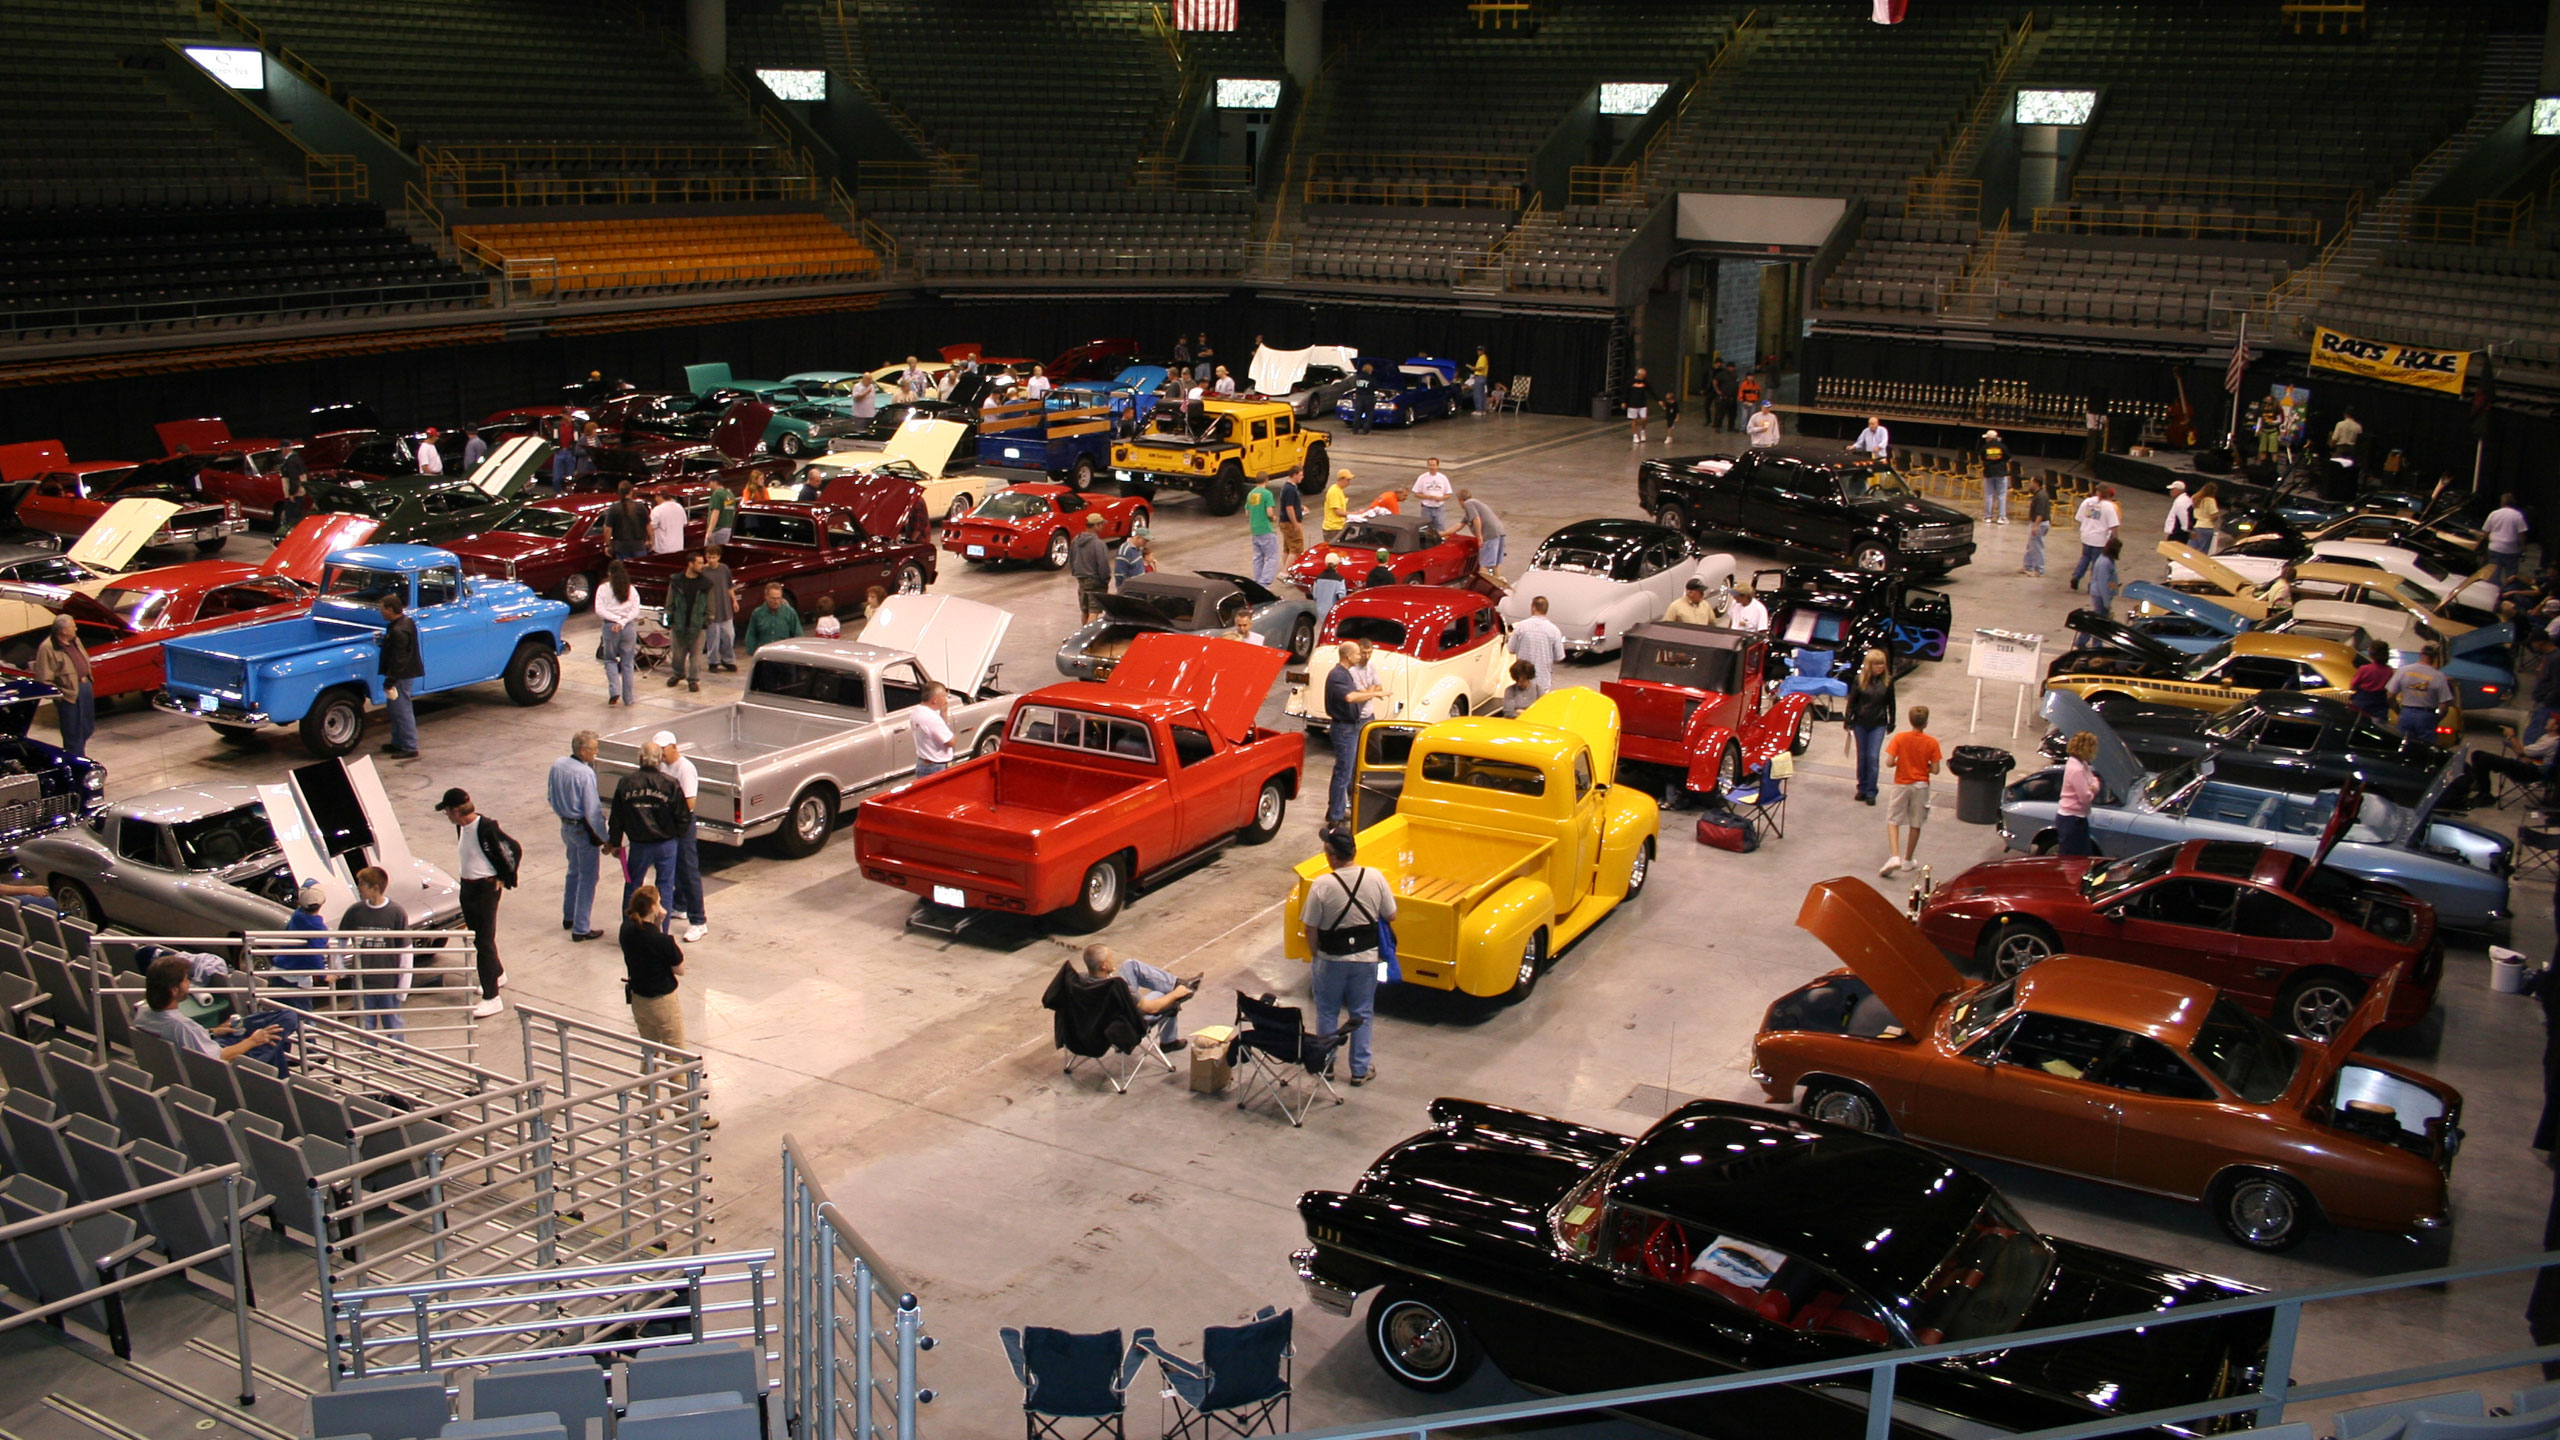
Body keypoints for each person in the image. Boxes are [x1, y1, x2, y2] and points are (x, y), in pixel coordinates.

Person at [1300, 827, 1393, 1086]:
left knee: (1327, 1012)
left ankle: (1326, 1065)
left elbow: (1310, 926)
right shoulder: (1375, 877)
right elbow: (1391, 914)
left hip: (1331, 959)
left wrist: (1316, 954)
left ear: (1331, 855)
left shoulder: (1322, 885)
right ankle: (1359, 1070)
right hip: (1365, 959)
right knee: (1362, 1012)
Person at [434, 787, 519, 1018]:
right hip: (469, 887)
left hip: (484, 889)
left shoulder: (486, 828)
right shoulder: (461, 828)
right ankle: (497, 973)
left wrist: (505, 877)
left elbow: (513, 849)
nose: (447, 817)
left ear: (455, 811)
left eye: (447, 812)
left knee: (483, 942)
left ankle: (492, 997)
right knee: (479, 937)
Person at [135, 954, 299, 1070]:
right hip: (224, 1059)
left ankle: (276, 1070)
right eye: (185, 980)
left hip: (210, 1043)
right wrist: (253, 1041)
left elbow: (189, 1040)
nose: (189, 983)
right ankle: (274, 1072)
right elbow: (218, 1059)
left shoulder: (142, 1012)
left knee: (272, 1027)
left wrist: (212, 1031)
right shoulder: (181, 1027)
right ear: (173, 990)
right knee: (287, 1020)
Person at [608, 747, 688, 921]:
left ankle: (629, 928)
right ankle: (661, 931)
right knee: (665, 888)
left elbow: (617, 816)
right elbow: (683, 816)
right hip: (666, 844)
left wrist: (615, 841)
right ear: (659, 760)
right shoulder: (670, 784)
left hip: (639, 844)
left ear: (640, 758)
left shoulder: (626, 783)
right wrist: (677, 837)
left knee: (633, 885)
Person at [550, 729, 609, 942]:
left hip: (566, 826)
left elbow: (550, 796)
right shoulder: (585, 774)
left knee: (573, 870)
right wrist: (605, 837)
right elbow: (592, 811)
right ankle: (581, 927)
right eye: (594, 749)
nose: (597, 752)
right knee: (589, 877)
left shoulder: (557, 765)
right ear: (583, 751)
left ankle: (569, 915)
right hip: (582, 830)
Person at [620, 884, 693, 1051]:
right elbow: (679, 970)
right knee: (675, 1053)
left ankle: (647, 1077)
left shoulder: (626, 929)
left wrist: (657, 923)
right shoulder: (663, 941)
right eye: (659, 902)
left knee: (649, 1052)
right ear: (653, 907)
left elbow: (648, 937)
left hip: (639, 999)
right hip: (662, 1002)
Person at [1082, 944, 1197, 1050]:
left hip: (1095, 1024)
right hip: (1126, 1025)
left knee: (1130, 965)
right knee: (1165, 993)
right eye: (1110, 959)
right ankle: (1169, 1042)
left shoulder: (1081, 981)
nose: (1113, 961)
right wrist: (1175, 994)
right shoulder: (1117, 989)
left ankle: (1177, 983)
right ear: (1103, 965)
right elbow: (1152, 1008)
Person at [340, 866, 411, 1034]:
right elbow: (339, 940)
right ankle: (369, 1057)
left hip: (388, 984)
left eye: (362, 884)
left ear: (375, 888)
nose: (359, 888)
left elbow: (406, 951)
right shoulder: (355, 911)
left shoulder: (395, 913)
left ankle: (399, 1058)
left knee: (393, 1025)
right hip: (362, 984)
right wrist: (340, 967)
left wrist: (403, 986)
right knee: (365, 1027)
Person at [1322, 641, 1386, 824]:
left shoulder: (1344, 674)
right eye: (1357, 653)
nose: (1360, 656)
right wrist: (1373, 694)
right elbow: (1350, 697)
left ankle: (1337, 809)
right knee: (1343, 773)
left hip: (1351, 726)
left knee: (1347, 772)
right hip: (1344, 729)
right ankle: (1335, 816)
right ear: (1348, 656)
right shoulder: (1338, 675)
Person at [654, 731, 709, 942]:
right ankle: (679, 905)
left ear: (674, 748)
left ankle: (699, 921)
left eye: (663, 750)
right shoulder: (661, 766)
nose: (661, 754)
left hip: (683, 825)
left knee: (688, 870)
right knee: (672, 866)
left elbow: (690, 803)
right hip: (667, 824)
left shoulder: (685, 769)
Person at [1879, 705, 1941, 876]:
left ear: (1910, 720)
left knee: (1893, 819)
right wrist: (1924, 766)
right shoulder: (1932, 743)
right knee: (1916, 822)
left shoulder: (1900, 738)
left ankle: (1894, 856)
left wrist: (1902, 763)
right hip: (1921, 785)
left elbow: (1889, 762)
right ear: (1926, 723)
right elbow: (1935, 769)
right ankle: (1908, 859)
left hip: (1901, 783)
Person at [32, 614, 94, 758]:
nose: (76, 629)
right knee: (72, 732)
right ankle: (76, 761)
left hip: (84, 688)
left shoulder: (75, 641)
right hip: (68, 695)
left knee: (86, 728)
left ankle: (80, 756)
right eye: (73, 626)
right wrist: (59, 696)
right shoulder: (47, 648)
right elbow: (43, 678)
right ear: (64, 631)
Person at [2470, 716, 2559, 807]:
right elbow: (2524, 754)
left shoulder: (2551, 742)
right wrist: (2519, 752)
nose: (2548, 720)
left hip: (2532, 771)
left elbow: (2522, 751)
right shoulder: (2546, 737)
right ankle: (2479, 785)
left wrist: (2511, 736)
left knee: (2485, 759)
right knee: (2477, 754)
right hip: (2527, 764)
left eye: (2552, 720)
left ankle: (2485, 795)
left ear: (2556, 727)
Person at [1844, 648, 1895, 805]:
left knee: (1872, 757)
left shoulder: (1888, 682)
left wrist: (1892, 721)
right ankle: (1862, 788)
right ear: (1869, 665)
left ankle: (1871, 791)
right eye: (1876, 664)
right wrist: (1848, 719)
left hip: (1878, 724)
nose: (1880, 667)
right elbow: (1852, 701)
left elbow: (1891, 704)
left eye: (1882, 664)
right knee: (1862, 757)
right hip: (1860, 723)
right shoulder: (1859, 681)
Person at [271, 882, 333, 1009]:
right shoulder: (318, 928)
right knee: (304, 1018)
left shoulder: (297, 915)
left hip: (279, 971)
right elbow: (315, 954)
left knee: (279, 1015)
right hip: (296, 979)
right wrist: (323, 975)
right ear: (323, 901)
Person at [377, 592, 422, 758]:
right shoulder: (407, 622)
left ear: (390, 609)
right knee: (395, 709)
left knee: (402, 711)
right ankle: (398, 742)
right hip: (405, 673)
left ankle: (410, 746)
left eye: (382, 609)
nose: (381, 612)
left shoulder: (398, 630)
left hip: (401, 676)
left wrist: (390, 681)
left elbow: (399, 659)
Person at [664, 551, 712, 693]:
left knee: (696, 656)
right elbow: (669, 602)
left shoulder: (706, 584)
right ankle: (678, 674)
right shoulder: (676, 581)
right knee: (677, 655)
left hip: (698, 625)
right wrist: (670, 619)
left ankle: (693, 680)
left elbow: (710, 605)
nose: (702, 566)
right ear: (690, 564)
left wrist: (707, 621)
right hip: (679, 624)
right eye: (699, 563)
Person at [2387, 644, 2451, 744]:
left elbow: (2390, 696)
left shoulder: (2403, 670)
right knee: (2425, 749)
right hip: (2427, 716)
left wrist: (2398, 711)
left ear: (2420, 654)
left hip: (2406, 713)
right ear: (2435, 657)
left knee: (2402, 744)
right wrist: (2436, 719)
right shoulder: (2438, 676)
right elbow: (2444, 705)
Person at [596, 560, 641, 705]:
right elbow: (635, 610)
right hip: (628, 627)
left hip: (610, 628)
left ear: (609, 573)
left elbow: (599, 610)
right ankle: (628, 698)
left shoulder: (603, 589)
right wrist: (622, 622)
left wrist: (616, 621)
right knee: (628, 663)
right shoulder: (631, 589)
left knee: (610, 660)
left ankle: (614, 690)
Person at [2056, 731, 2103, 856]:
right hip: (2071, 820)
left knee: (2083, 855)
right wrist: (2092, 789)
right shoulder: (2076, 769)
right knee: (2072, 857)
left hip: (2078, 818)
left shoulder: (2082, 764)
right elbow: (2085, 798)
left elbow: (2094, 780)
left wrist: (2093, 787)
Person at [2069, 485, 2121, 590]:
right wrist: (2114, 539)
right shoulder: (2109, 506)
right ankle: (2092, 584)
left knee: (2085, 557)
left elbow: (2078, 518)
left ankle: (2076, 576)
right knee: (2097, 563)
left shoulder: (2087, 502)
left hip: (2086, 536)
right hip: (2100, 539)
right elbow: (2114, 525)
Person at [1509, 595, 1566, 689]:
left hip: (1522, 680)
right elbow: (1559, 656)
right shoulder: (1554, 630)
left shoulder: (1520, 627)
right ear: (1546, 610)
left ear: (1533, 608)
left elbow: (1511, 649)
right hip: (1542, 682)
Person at [699, 545, 738, 674]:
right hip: (711, 610)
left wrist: (734, 601)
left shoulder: (724, 569)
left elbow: (729, 586)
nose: (711, 560)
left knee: (729, 635)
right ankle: (713, 661)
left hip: (725, 607)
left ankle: (728, 660)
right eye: (709, 557)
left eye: (714, 557)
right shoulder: (703, 572)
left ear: (719, 557)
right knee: (713, 638)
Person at [1070, 513, 1114, 619]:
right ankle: (1090, 635)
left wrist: (1075, 573)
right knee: (1094, 611)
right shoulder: (1098, 544)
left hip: (1081, 579)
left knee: (1084, 610)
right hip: (1095, 581)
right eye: (1101, 524)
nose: (1102, 527)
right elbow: (1103, 565)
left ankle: (1083, 634)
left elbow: (1071, 559)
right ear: (1096, 525)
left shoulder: (1075, 540)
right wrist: (1105, 579)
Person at [2079, 538, 2123, 641]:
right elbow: (2103, 583)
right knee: (2098, 622)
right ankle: (2086, 641)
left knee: (2099, 621)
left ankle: (2090, 641)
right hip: (2100, 596)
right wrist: (2107, 602)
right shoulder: (2105, 563)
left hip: (2101, 594)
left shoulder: (2106, 559)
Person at [1456, 489, 1506, 575]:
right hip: (1500, 532)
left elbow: (1476, 519)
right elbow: (1459, 525)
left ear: (1461, 500)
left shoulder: (1468, 503)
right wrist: (1443, 533)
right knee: (1496, 564)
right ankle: (1499, 584)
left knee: (1484, 565)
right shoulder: (1477, 505)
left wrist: (1479, 537)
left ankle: (1483, 586)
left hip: (1490, 535)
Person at [742, 582, 802, 654]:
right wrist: (754, 653)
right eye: (773, 598)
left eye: (778, 598)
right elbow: (751, 636)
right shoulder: (757, 613)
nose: (776, 601)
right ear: (766, 597)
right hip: (765, 655)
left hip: (784, 654)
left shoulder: (790, 613)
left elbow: (798, 635)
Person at [911, 681, 955, 777]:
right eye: (944, 696)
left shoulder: (916, 712)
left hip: (924, 763)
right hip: (936, 768)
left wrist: (943, 714)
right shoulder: (932, 719)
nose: (946, 700)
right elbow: (951, 742)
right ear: (934, 700)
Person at [2488, 493, 2531, 589]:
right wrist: (2523, 547)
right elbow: (2522, 534)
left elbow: (2486, 530)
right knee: (2511, 575)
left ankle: (2494, 592)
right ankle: (2509, 592)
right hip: (2511, 549)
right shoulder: (2517, 516)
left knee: (2494, 573)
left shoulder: (2494, 514)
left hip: (2494, 547)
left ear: (2501, 503)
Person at [2344, 642, 2394, 721]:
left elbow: (2353, 686)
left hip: (2362, 701)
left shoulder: (2364, 669)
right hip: (2380, 703)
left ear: (2371, 654)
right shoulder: (2390, 671)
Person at [1244, 477, 1280, 587]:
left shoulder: (1251, 494)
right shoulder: (1267, 494)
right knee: (1271, 557)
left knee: (1258, 557)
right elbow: (1269, 512)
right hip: (1266, 529)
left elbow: (1247, 513)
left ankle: (1257, 581)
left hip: (1255, 530)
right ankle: (1264, 583)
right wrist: (1273, 517)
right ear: (1267, 480)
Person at [606, 485, 650, 561]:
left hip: (621, 548)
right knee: (639, 571)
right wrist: (651, 540)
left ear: (619, 493)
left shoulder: (614, 509)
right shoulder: (640, 507)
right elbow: (649, 526)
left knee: (624, 570)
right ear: (631, 491)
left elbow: (607, 529)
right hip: (639, 546)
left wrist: (608, 545)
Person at [1274, 467, 1307, 564]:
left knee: (1287, 548)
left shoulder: (1287, 487)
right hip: (1289, 523)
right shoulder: (1290, 489)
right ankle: (1286, 571)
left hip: (1285, 522)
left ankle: (1286, 569)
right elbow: (1289, 508)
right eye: (1301, 475)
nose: (1302, 477)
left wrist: (1300, 507)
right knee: (1296, 548)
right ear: (1295, 474)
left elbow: (1290, 504)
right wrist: (1295, 523)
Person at [2022, 475, 2052, 576]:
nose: (2029, 484)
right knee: (2031, 545)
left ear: (2036, 483)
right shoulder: (2038, 494)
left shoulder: (2041, 496)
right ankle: (2028, 566)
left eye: (2031, 482)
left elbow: (2040, 513)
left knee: (2037, 546)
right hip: (2037, 523)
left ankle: (2039, 570)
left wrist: (2035, 526)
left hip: (2039, 524)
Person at [1411, 460, 1452, 530]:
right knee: (1425, 528)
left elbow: (1449, 494)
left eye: (1434, 465)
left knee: (1440, 527)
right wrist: (1428, 497)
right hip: (1426, 508)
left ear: (1437, 466)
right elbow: (1416, 493)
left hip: (1439, 508)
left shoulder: (1443, 478)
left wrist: (1441, 498)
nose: (1432, 467)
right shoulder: (1422, 478)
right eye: (1430, 465)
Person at [1979, 430, 2009, 524]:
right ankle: (2001, 517)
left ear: (1990, 438)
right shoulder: (2002, 446)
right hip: (2001, 473)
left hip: (1989, 473)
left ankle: (1988, 517)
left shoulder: (1985, 447)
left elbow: (1982, 457)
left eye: (1987, 438)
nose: (1986, 439)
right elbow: (2008, 457)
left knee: (1989, 495)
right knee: (2001, 495)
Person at [647, 490, 687, 556]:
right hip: (679, 548)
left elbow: (651, 527)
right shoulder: (680, 507)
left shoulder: (657, 510)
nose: (655, 499)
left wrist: (650, 541)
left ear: (661, 497)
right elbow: (684, 523)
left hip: (663, 550)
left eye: (656, 497)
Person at [1311, 557, 1347, 626]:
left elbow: (1315, 595)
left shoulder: (1318, 578)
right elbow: (1341, 596)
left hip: (1320, 611)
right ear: (1337, 565)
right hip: (1332, 610)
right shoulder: (1340, 579)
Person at [2189, 481, 2221, 556]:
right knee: (2202, 552)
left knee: (2192, 548)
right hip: (2206, 527)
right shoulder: (2210, 501)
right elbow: (2214, 515)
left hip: (2196, 526)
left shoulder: (2195, 498)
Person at [1321, 469, 1351, 543]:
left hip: (1338, 527)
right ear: (1342, 479)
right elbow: (1338, 512)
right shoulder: (1334, 491)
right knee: (1333, 552)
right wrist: (1354, 514)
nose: (1349, 482)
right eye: (1348, 480)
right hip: (1332, 529)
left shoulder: (1339, 490)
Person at [1625, 367, 1652, 445]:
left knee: (1644, 419)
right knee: (1634, 420)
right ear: (1638, 375)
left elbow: (1651, 390)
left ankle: (1643, 431)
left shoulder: (1645, 382)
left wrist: (1658, 400)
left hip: (1642, 404)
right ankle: (1635, 435)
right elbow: (1626, 392)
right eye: (1642, 376)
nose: (1643, 377)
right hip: (1632, 404)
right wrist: (1624, 402)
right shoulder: (1630, 382)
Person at [1349, 363, 1377, 435]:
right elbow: (1375, 387)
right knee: (1369, 414)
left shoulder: (1357, 378)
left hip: (1359, 397)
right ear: (1370, 370)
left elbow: (1354, 386)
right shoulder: (1371, 379)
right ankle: (1366, 430)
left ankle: (1355, 430)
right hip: (1369, 397)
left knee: (1357, 414)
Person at [1710, 360, 1738, 433]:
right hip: (1724, 397)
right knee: (1720, 413)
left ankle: (1731, 427)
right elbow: (1715, 381)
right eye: (1731, 367)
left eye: (1733, 367)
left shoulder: (1735, 375)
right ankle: (1718, 427)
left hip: (1733, 397)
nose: (1732, 369)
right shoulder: (1722, 374)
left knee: (1732, 414)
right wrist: (1717, 390)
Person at [2163, 480, 2193, 546]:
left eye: (2172, 489)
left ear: (2178, 490)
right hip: (2179, 532)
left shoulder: (2181, 502)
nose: (2170, 491)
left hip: (2178, 533)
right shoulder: (2183, 500)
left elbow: (2184, 516)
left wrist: (2186, 529)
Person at [1469, 346, 1492, 415]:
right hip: (1483, 377)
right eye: (1478, 350)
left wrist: (1474, 369)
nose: (1478, 352)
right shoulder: (1483, 358)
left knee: (1477, 394)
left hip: (1480, 377)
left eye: (1480, 350)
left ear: (1483, 351)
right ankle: (1482, 410)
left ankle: (1479, 410)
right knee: (1482, 394)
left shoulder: (1482, 358)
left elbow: (1481, 368)